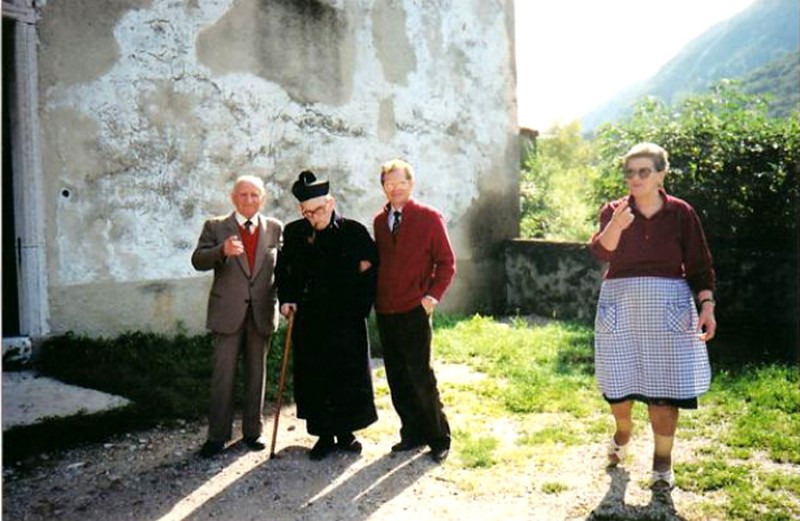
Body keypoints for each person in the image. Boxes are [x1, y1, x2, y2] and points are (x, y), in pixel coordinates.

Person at [589, 142, 717, 489]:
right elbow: (601, 251)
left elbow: (699, 266)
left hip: (668, 309)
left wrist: (706, 306)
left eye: (644, 171)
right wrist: (616, 223)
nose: (635, 178)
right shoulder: (613, 211)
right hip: (622, 305)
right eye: (630, 172)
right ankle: (623, 431)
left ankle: (662, 461)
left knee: (664, 393)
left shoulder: (681, 213)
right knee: (619, 390)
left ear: (661, 174)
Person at [275, 171, 378, 461]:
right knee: (316, 375)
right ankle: (323, 436)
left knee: (346, 374)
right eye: (307, 212)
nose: (313, 217)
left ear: (331, 203)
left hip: (346, 319)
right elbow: (284, 272)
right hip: (310, 320)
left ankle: (346, 433)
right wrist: (287, 300)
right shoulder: (295, 233)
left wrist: (360, 308)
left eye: (318, 210)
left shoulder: (353, 231)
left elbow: (371, 268)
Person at [191, 174, 283, 458]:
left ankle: (253, 433)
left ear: (263, 199)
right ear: (233, 198)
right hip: (227, 313)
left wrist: (286, 301)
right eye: (243, 195)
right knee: (224, 376)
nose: (249, 200)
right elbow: (197, 260)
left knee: (257, 373)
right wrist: (221, 251)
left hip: (261, 312)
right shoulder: (216, 226)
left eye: (255, 195)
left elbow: (282, 270)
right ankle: (217, 436)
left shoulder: (275, 228)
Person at [373, 158, 456, 463]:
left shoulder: (430, 217)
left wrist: (432, 297)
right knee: (397, 376)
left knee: (420, 375)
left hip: (414, 308)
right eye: (389, 182)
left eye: (400, 181)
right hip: (386, 309)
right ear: (383, 187)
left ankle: (438, 437)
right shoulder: (380, 222)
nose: (395, 187)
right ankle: (411, 433)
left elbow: (447, 263)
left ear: (411, 184)